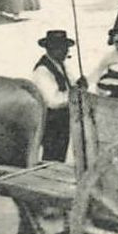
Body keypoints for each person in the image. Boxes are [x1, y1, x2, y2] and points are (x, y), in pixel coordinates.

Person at [31, 30, 78, 162]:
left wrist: (79, 85)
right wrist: (75, 95)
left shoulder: (60, 64)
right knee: (52, 154)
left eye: (66, 49)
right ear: (51, 49)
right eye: (62, 49)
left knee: (60, 151)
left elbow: (71, 83)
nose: (66, 52)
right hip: (51, 121)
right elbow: (53, 101)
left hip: (63, 119)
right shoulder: (43, 70)